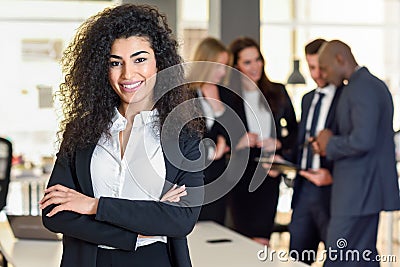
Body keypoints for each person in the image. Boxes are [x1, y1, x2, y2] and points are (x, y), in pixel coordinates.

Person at [39, 4, 204, 267]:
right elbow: (54, 214)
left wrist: (93, 206)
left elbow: (181, 220)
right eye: (116, 63)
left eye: (140, 59)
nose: (127, 74)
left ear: (159, 62)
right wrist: (137, 229)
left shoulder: (183, 136)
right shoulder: (81, 132)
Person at [316, 40, 400, 266]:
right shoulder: (366, 85)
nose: (322, 74)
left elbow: (363, 140)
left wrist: (329, 143)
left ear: (340, 59)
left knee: (338, 257)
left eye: (324, 68)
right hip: (364, 190)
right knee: (363, 258)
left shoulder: (361, 87)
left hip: (357, 191)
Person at [226, 37, 298, 245]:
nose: (255, 66)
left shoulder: (277, 91)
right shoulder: (229, 97)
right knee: (241, 239)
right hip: (239, 175)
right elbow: (217, 134)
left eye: (257, 59)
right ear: (236, 66)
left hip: (269, 173)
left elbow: (295, 130)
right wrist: (241, 140)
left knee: (262, 239)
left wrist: (279, 144)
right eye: (247, 62)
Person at [289, 38, 343, 265]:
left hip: (332, 191)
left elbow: (351, 144)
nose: (317, 74)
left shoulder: (346, 97)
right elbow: (301, 142)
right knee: (297, 258)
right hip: (303, 190)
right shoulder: (307, 99)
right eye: (312, 68)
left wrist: (334, 176)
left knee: (338, 257)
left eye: (321, 68)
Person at [189, 37, 231, 225]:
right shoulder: (183, 93)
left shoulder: (223, 93)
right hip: (190, 179)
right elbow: (182, 139)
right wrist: (212, 151)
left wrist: (218, 107)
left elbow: (233, 133)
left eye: (225, 66)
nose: (222, 72)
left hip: (216, 177)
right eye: (218, 66)